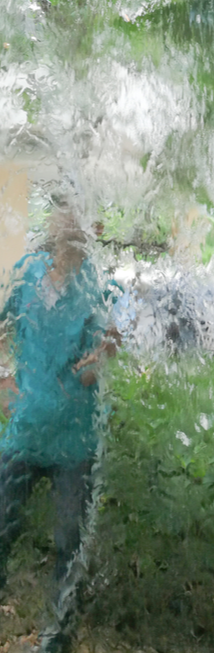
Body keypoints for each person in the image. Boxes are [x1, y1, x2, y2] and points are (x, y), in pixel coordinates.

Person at [0, 199, 119, 653]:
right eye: (63, 214)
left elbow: (103, 348)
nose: (70, 224)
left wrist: (101, 357)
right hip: (26, 430)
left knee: (70, 543)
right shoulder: (26, 273)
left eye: (80, 216)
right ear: (50, 224)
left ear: (93, 227)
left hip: (75, 440)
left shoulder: (99, 287)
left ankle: (55, 642)